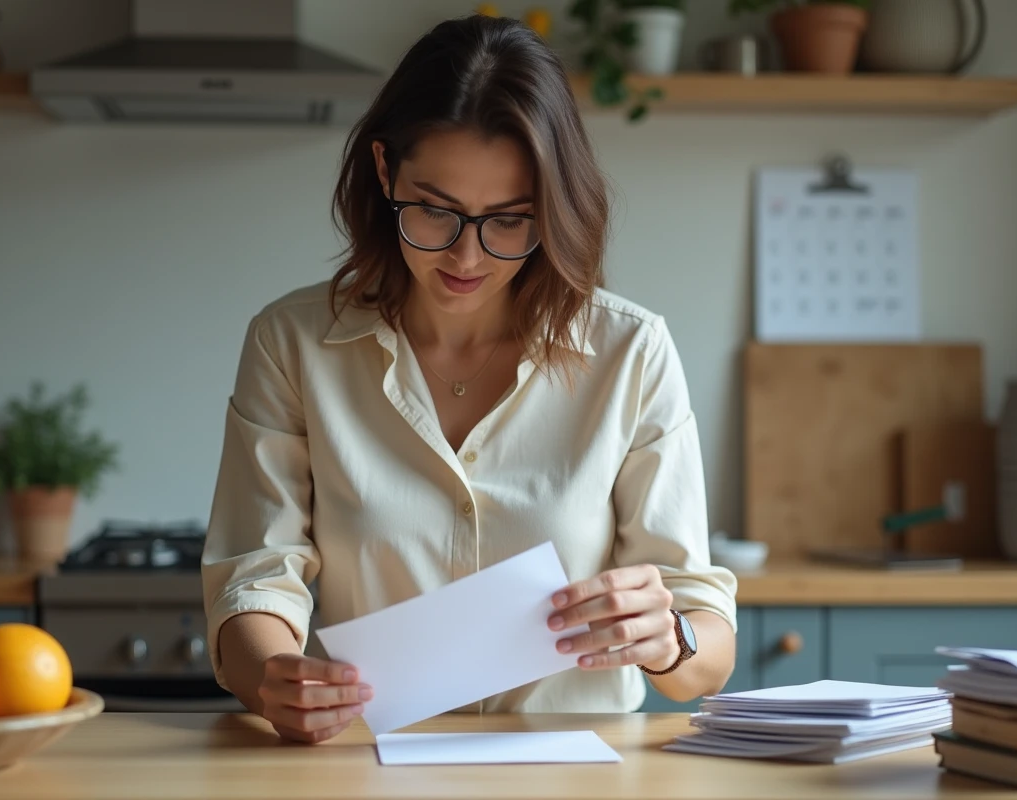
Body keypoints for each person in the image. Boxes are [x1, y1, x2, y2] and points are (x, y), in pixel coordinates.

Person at [201, 14, 738, 745]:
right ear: (386, 172)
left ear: (553, 207)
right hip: (362, 767)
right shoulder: (293, 343)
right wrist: (273, 678)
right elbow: (255, 574)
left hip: (578, 776)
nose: (466, 256)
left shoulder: (631, 352)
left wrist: (668, 636)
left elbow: (706, 652)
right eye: (436, 211)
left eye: (510, 221)